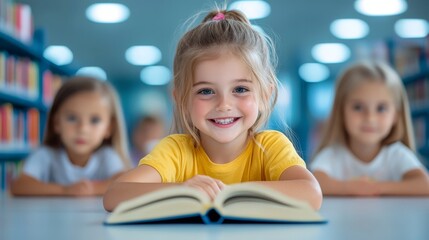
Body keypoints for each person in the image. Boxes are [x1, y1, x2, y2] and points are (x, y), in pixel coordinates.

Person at [103, 9, 322, 211]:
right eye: (206, 91)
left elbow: (311, 193)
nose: (224, 104)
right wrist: (182, 191)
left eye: (240, 89)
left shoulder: (271, 147)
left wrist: (226, 192)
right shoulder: (176, 151)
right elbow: (114, 195)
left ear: (265, 95)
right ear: (181, 100)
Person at [310, 61, 429, 196]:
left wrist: (375, 187)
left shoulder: (396, 154)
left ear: (396, 115)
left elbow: (425, 184)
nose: (370, 118)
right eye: (358, 107)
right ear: (341, 112)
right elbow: (314, 183)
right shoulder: (333, 155)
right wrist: (352, 187)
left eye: (381, 108)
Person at [11, 76, 131, 196]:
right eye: (72, 118)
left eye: (94, 120)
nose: (83, 129)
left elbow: (125, 184)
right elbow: (19, 185)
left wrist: (92, 190)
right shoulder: (46, 154)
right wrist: (66, 190)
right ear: (57, 123)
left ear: (109, 128)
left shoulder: (107, 156)